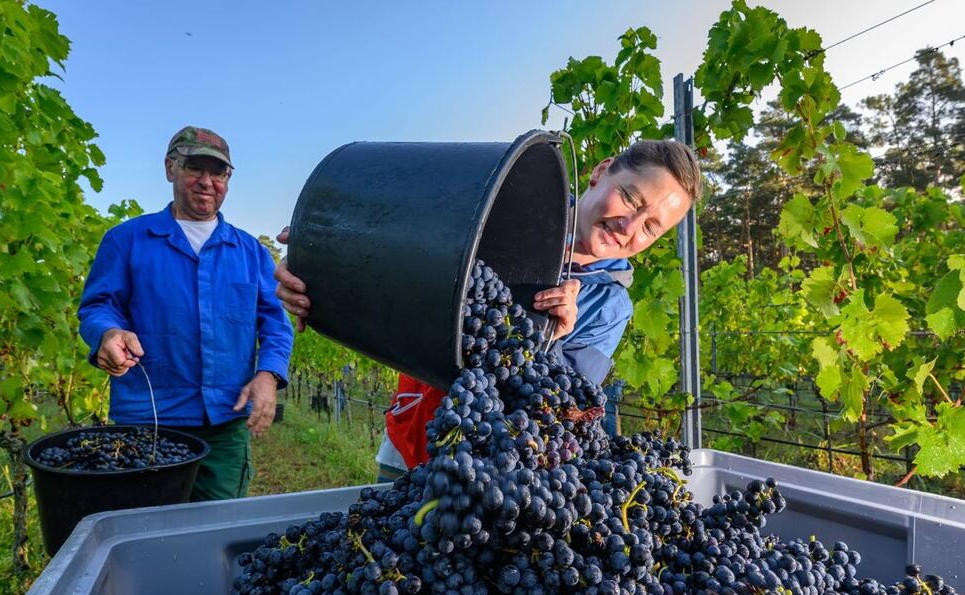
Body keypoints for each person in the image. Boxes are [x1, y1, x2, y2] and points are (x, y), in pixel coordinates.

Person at [274, 139, 701, 480]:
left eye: (650, 227)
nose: (628, 227)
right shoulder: (511, 205)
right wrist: (319, 264)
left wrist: (551, 340)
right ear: (601, 171)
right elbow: (404, 255)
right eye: (629, 197)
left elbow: (561, 414)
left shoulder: (609, 304)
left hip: (481, 470)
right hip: (409, 428)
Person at [78, 126, 294, 501]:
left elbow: (275, 321)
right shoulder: (126, 240)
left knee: (217, 531)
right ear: (170, 168)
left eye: (219, 173)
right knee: (145, 531)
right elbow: (99, 307)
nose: (207, 182)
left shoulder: (250, 252)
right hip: (147, 422)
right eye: (195, 168)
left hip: (224, 423)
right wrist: (108, 334)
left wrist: (269, 374)